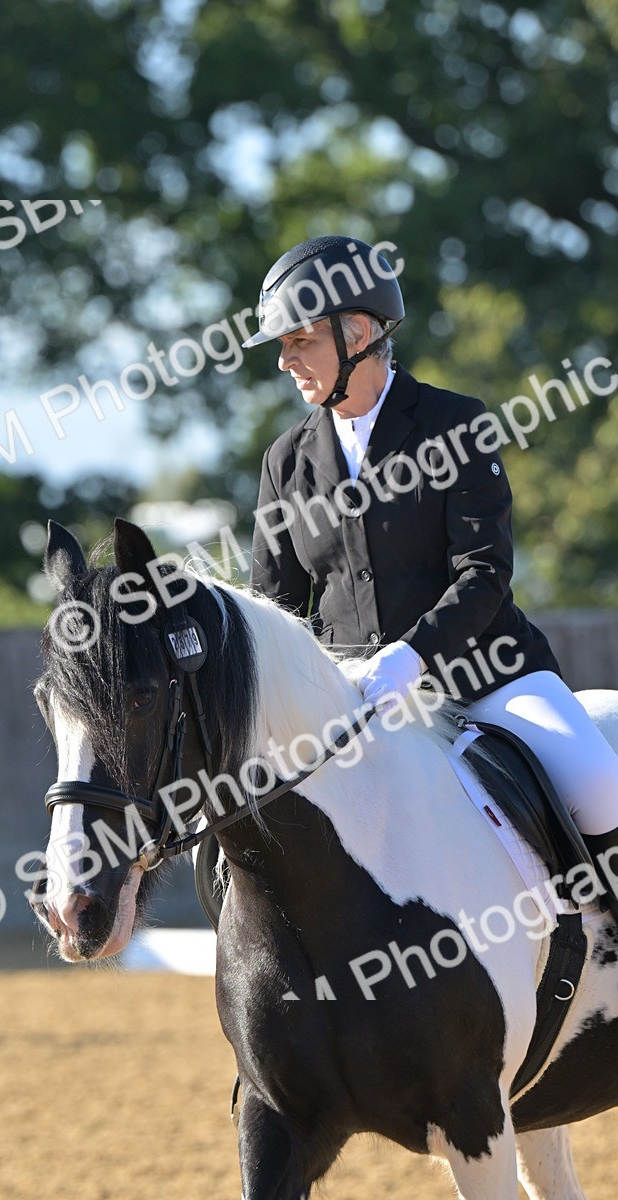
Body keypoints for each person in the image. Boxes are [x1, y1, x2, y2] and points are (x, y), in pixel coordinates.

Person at [244, 234, 618, 917]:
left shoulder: (455, 423)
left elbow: (484, 572)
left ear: (357, 333)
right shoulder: (285, 462)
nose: (284, 360)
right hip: (353, 703)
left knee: (600, 785)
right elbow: (274, 607)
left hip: (486, 675)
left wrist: (410, 657)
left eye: (300, 340)